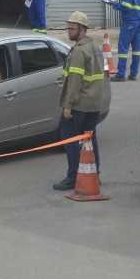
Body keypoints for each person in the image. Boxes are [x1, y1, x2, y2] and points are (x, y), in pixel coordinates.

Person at [53, 11, 111, 192]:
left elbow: (75, 82)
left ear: (83, 29)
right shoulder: (94, 47)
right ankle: (94, 174)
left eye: (72, 28)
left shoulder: (79, 51)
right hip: (94, 104)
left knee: (70, 139)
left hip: (79, 105)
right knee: (89, 140)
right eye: (68, 27)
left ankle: (72, 177)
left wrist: (68, 105)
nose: (68, 31)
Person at [108, 0, 140, 81]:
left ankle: (121, 74)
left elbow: (125, 7)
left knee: (123, 49)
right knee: (136, 49)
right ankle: (133, 74)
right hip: (139, 23)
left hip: (129, 22)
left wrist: (113, 3)